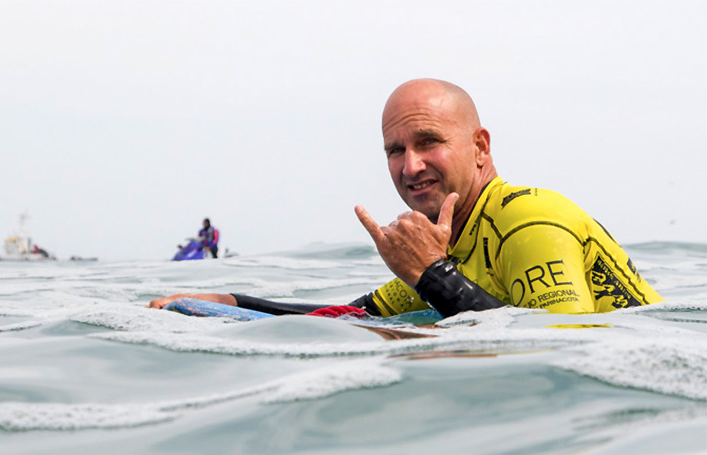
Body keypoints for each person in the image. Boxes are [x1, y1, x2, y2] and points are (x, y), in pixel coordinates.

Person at [148, 79, 662, 316]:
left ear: (480, 147)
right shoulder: (453, 240)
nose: (409, 166)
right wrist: (230, 304)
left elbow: (563, 354)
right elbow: (350, 318)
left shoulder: (529, 221)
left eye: (428, 142)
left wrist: (432, 274)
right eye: (395, 150)